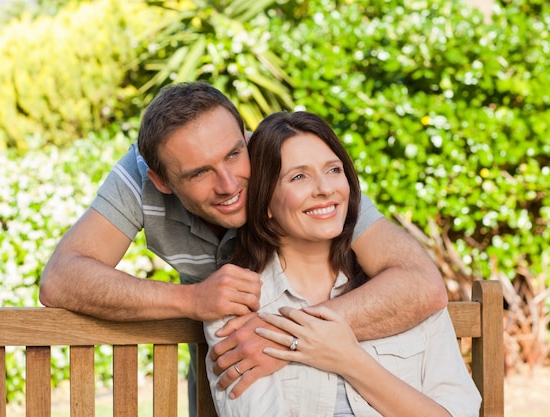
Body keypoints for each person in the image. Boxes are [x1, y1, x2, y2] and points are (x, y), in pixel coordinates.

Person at [39, 82, 447, 413]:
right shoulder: (139, 175)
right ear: (161, 180)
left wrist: (283, 335)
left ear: (248, 138)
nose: (229, 185)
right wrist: (193, 299)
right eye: (200, 172)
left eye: (235, 154)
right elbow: (62, 278)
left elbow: (421, 283)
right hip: (234, 369)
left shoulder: (286, 164)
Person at [204, 111, 481, 417]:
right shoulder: (238, 307)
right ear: (265, 201)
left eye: (333, 170)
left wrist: (348, 359)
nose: (325, 188)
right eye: (298, 176)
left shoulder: (404, 291)